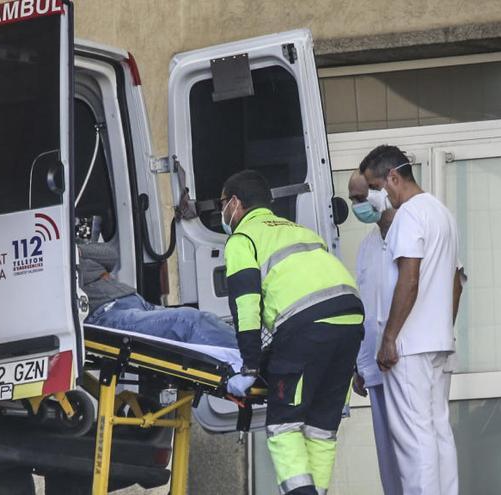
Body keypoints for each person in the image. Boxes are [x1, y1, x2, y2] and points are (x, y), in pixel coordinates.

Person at [221, 170, 364, 495]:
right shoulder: (300, 231)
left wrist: (251, 365)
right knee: (320, 430)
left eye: (222, 205)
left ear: (234, 203)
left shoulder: (243, 238)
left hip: (306, 326)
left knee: (284, 426)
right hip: (350, 321)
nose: (223, 215)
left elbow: (246, 304)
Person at [360, 145, 463, 495]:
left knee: (412, 438)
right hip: (436, 342)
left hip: (409, 346)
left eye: (376, 187)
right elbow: (454, 283)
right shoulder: (442, 213)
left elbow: (409, 277)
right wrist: (444, 328)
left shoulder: (409, 215)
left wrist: (389, 338)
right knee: (437, 432)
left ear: (394, 177)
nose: (376, 196)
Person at [347, 171, 402, 495]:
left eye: (359, 197)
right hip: (376, 369)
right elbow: (366, 307)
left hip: (405, 363)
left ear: (381, 191)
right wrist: (360, 365)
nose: (356, 206)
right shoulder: (367, 246)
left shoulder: (413, 232)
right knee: (389, 463)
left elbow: (452, 282)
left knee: (414, 456)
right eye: (352, 199)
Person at [79, 242, 237, 349]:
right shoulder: (56, 265)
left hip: (132, 301)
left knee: (206, 318)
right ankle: (245, 367)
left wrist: (77, 250)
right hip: (105, 313)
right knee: (187, 321)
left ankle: (251, 356)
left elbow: (110, 255)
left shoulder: (66, 247)